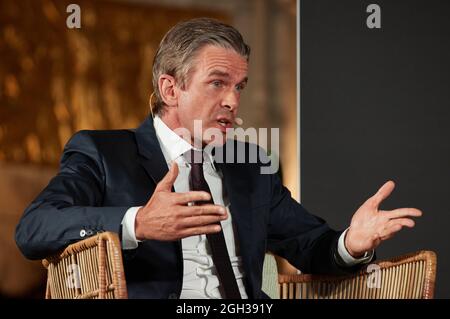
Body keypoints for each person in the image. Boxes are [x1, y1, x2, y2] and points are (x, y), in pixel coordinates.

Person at [15, 18, 422, 299]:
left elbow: (309, 245)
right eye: (217, 83)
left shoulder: (251, 165)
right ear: (171, 89)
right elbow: (34, 229)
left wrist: (352, 242)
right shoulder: (104, 153)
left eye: (240, 86)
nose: (232, 100)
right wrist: (138, 221)